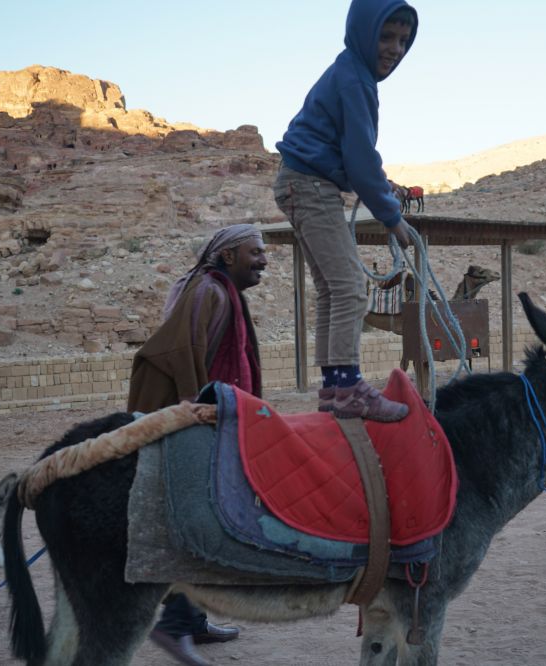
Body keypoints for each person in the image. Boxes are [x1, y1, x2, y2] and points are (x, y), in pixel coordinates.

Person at [127, 224, 266, 666]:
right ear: (227, 256)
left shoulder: (220, 291)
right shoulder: (209, 292)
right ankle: (175, 624)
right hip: (200, 431)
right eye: (255, 252)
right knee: (204, 526)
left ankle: (194, 621)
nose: (264, 260)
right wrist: (197, 419)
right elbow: (182, 354)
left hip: (214, 427)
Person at [272, 0, 417, 422]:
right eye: (386, 37)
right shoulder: (356, 81)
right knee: (352, 287)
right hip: (310, 185)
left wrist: (377, 182)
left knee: (332, 291)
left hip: (300, 181)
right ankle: (350, 388)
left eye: (404, 40)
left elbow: (351, 153)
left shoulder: (348, 72)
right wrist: (392, 217)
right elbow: (359, 157)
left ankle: (334, 388)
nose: (395, 49)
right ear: (364, 33)